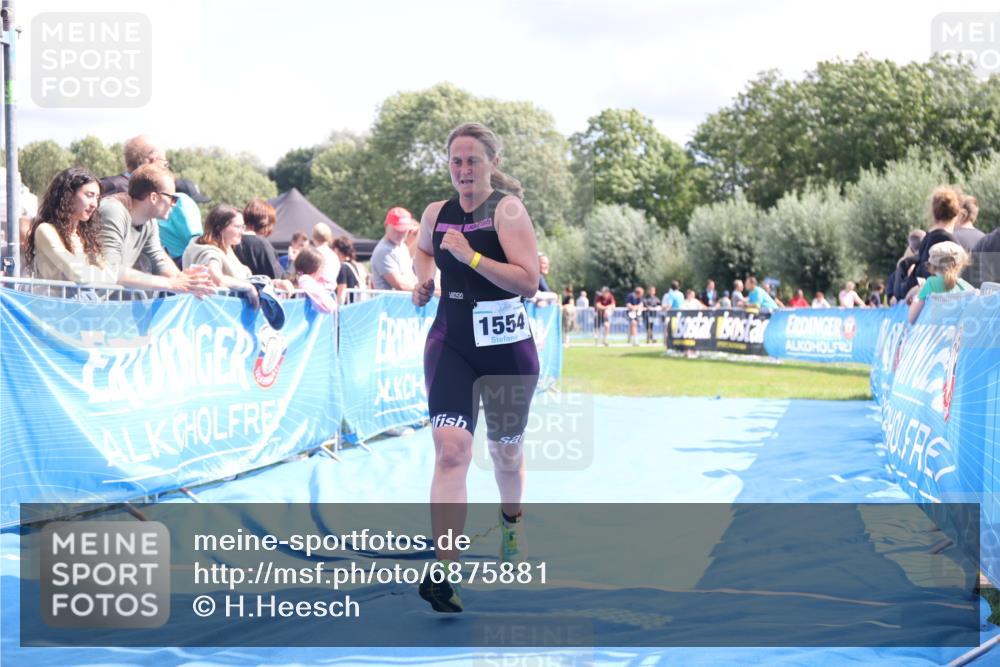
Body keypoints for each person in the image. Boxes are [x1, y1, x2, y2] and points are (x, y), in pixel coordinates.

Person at [409, 123, 540, 613]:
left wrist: (473, 256)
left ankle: (511, 521)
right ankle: (446, 572)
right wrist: (423, 282)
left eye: (473, 161)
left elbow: (529, 281)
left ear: (492, 163)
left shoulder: (506, 209)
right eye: (456, 161)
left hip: (507, 350)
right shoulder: (435, 214)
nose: (463, 170)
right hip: (452, 343)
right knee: (450, 451)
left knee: (505, 453)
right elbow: (423, 250)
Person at [96, 164, 214, 296]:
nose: (173, 204)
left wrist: (184, 281)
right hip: (80, 303)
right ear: (153, 197)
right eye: (172, 198)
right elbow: (112, 269)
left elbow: (158, 258)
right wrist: (172, 284)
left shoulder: (150, 222)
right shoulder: (113, 211)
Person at [24, 167, 117, 291]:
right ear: (68, 195)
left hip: (77, 307)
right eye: (89, 195)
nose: (95, 204)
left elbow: (110, 274)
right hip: (50, 308)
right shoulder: (46, 230)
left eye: (97, 198)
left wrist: (95, 273)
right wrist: (100, 273)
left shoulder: (84, 236)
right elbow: (79, 275)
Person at [181, 205, 259, 307]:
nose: (242, 231)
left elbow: (246, 278)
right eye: (238, 227)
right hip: (212, 318)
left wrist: (273, 283)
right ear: (220, 228)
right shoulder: (209, 253)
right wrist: (248, 287)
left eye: (243, 226)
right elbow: (217, 280)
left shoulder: (226, 249)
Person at [908, 241, 974, 324]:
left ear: (932, 265)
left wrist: (918, 294)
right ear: (960, 264)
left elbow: (911, 318)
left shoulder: (931, 283)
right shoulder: (968, 288)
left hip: (934, 334)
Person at [157, 178, 208, 268]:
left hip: (167, 261)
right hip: (186, 260)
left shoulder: (157, 210)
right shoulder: (183, 200)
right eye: (194, 201)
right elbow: (195, 236)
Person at [99, 134, 170, 196]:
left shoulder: (150, 193)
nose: (164, 169)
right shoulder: (112, 186)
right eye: (164, 163)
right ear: (151, 160)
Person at [233, 198, 285, 278]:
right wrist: (292, 262)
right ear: (266, 224)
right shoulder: (262, 244)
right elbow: (279, 278)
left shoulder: (231, 241)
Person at [372, 207, 419, 291]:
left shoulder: (402, 247)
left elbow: (410, 277)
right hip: (390, 302)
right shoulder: (384, 251)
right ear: (386, 225)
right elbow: (400, 286)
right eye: (397, 230)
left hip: (403, 301)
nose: (400, 234)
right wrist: (424, 291)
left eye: (404, 230)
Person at [292, 245, 337, 313]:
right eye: (321, 269)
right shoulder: (305, 280)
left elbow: (331, 285)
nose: (322, 272)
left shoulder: (303, 279)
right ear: (316, 269)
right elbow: (329, 307)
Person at [333, 236, 369, 304]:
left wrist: (337, 309)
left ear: (336, 250)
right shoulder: (358, 265)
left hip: (349, 307)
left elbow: (342, 292)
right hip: (359, 304)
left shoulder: (343, 267)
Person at [311, 222, 342, 287]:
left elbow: (304, 273)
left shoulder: (313, 253)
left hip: (315, 292)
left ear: (314, 237)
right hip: (330, 293)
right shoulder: (334, 256)